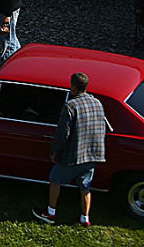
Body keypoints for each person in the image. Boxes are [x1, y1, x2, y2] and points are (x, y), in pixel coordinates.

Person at [35, 71, 106, 226]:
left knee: (55, 179)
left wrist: (55, 151)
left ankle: (50, 213)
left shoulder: (70, 105)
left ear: (73, 86)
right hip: (93, 153)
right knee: (85, 186)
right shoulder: (97, 103)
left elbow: (63, 133)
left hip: (75, 154)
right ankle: (85, 218)